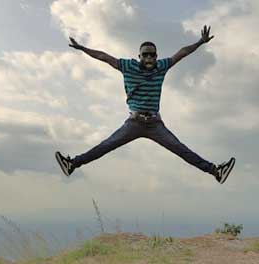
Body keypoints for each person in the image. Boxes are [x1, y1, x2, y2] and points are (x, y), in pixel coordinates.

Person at [55, 25, 235, 184]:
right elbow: (103, 56)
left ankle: (215, 171)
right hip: (134, 123)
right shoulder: (127, 66)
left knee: (180, 149)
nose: (149, 57)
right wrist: (82, 48)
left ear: (157, 56)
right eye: (145, 54)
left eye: (152, 54)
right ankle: (72, 164)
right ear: (139, 56)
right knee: (106, 145)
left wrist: (200, 42)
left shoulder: (162, 66)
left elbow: (182, 53)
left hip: (155, 124)